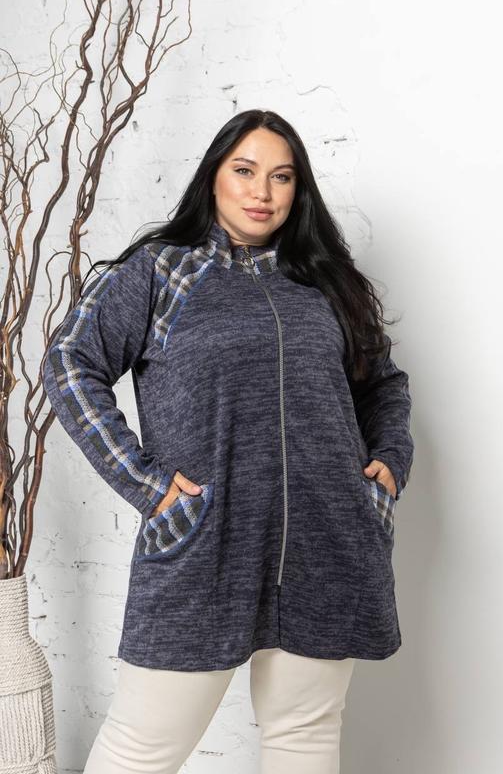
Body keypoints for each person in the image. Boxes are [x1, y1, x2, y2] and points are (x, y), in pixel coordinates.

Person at [43, 108, 415, 773]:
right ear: (213, 175)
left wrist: (388, 461)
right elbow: (70, 363)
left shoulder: (326, 282)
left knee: (304, 734)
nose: (261, 192)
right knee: (141, 748)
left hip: (329, 539)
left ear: (298, 189)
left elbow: (381, 383)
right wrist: (146, 482)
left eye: (281, 176)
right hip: (203, 537)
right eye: (244, 170)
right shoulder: (161, 271)